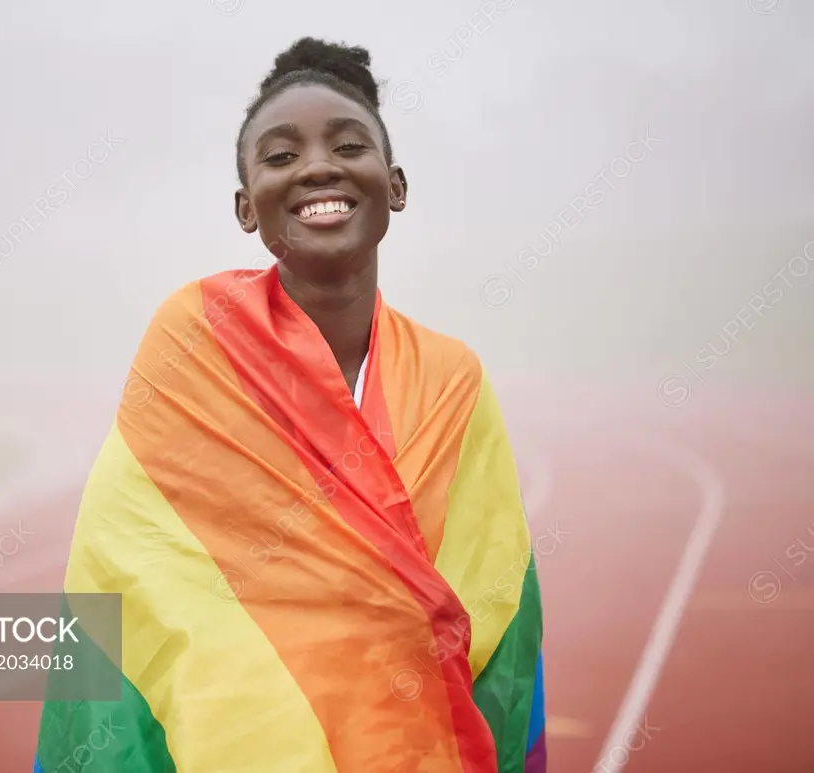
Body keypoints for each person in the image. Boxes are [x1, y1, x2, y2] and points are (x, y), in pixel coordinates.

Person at [32, 36, 546, 773]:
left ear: (394, 184)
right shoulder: (191, 347)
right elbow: (128, 569)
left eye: (348, 145)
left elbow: (500, 595)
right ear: (247, 206)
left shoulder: (451, 379)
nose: (317, 167)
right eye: (279, 157)